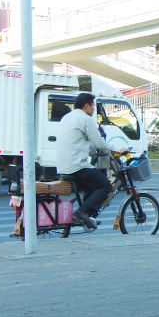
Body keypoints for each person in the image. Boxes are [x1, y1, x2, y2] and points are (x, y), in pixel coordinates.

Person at [57, 93, 115, 230]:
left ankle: (86, 217)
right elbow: (99, 142)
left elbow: (78, 142)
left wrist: (93, 152)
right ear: (87, 105)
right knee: (106, 186)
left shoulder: (66, 117)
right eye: (93, 105)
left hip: (63, 165)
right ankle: (82, 213)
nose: (94, 109)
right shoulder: (85, 119)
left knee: (91, 187)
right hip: (77, 165)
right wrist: (115, 151)